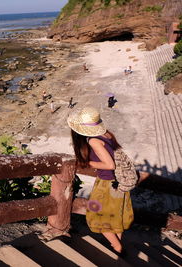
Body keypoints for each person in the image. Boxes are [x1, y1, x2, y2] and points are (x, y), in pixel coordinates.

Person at [67, 107, 133, 255]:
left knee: (96, 215)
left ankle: (117, 248)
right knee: (115, 215)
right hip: (118, 183)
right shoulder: (107, 134)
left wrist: (86, 164)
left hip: (107, 184)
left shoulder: (94, 141)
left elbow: (110, 165)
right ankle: (117, 244)